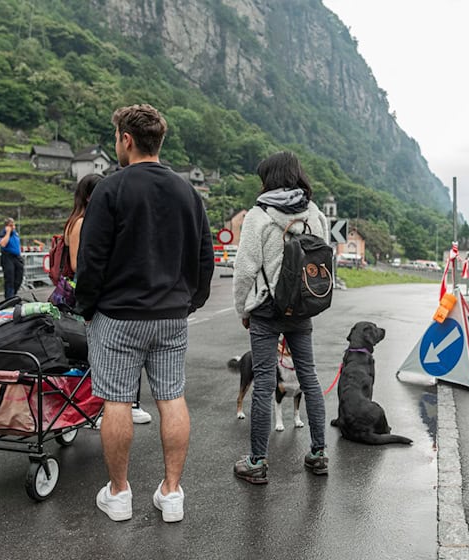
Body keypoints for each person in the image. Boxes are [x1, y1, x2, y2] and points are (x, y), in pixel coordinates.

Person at [74, 104, 214, 523]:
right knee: (172, 397)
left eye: (116, 137)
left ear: (127, 140)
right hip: (171, 316)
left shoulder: (111, 190)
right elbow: (204, 258)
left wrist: (87, 307)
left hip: (118, 315)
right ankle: (171, 494)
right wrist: (190, 301)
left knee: (116, 400)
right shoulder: (188, 192)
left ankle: (119, 494)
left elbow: (92, 259)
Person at [232, 151, 330, 484]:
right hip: (302, 308)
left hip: (266, 310)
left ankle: (257, 462)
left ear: (269, 179)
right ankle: (318, 454)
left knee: (263, 382)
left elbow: (244, 270)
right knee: (310, 377)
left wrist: (242, 309)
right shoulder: (315, 214)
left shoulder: (258, 216)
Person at [63, 173, 154, 426]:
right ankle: (108, 408)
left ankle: (110, 407)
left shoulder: (85, 219)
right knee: (105, 355)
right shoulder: (82, 222)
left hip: (94, 294)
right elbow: (77, 263)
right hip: (91, 295)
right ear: (91, 195)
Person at [0, 217, 23, 299]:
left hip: (17, 257)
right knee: (9, 278)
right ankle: (9, 297)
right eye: (11, 225)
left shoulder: (15, 233)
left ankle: (14, 294)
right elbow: (3, 244)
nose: (13, 227)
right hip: (7, 257)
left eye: (13, 225)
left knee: (19, 277)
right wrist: (7, 232)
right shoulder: (3, 233)